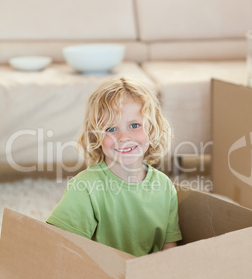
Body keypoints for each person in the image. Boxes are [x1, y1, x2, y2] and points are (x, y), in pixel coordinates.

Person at [46, 77, 182, 257]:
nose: (124, 137)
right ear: (96, 137)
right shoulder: (85, 187)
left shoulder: (165, 187)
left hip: (149, 278)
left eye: (134, 125)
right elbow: (57, 245)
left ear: (152, 129)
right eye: (111, 129)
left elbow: (169, 248)